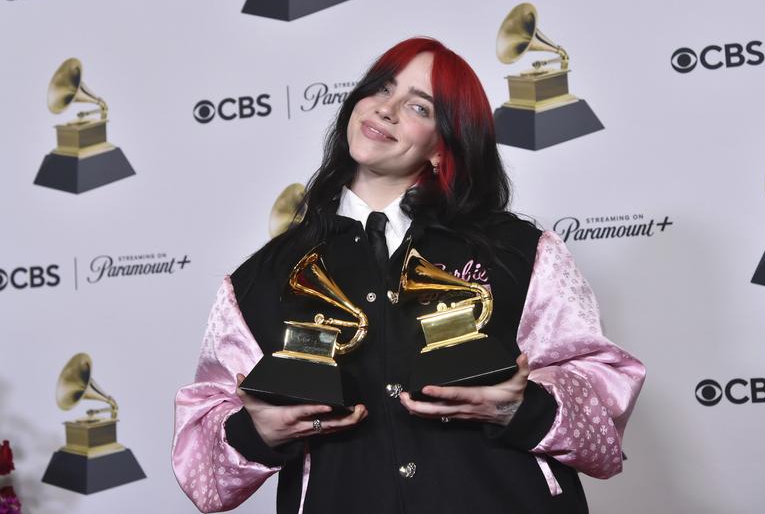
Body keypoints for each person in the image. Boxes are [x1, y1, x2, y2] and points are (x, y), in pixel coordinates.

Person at [171, 37, 646, 514]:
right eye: (380, 89)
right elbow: (203, 473)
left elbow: (606, 405)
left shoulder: (520, 251)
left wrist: (522, 408)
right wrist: (255, 433)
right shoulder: (259, 278)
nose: (386, 110)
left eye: (418, 106)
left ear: (445, 145)